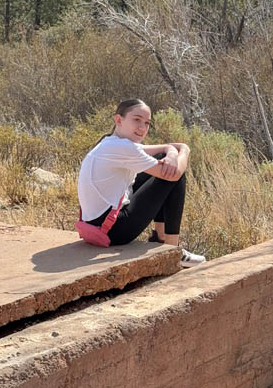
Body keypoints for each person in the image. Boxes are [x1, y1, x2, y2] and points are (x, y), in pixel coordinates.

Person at [77, 98, 206, 267]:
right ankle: (172, 251)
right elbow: (174, 174)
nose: (142, 128)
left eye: (147, 123)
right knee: (173, 175)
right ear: (118, 119)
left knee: (163, 162)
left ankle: (159, 239)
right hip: (114, 230)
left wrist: (171, 151)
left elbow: (161, 149)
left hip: (96, 225)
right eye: (136, 120)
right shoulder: (122, 148)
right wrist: (185, 149)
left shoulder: (109, 142)